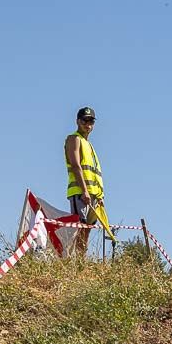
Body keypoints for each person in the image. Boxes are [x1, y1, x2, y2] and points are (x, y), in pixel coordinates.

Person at [64, 106, 104, 256]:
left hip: (93, 196)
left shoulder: (90, 146)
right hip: (80, 192)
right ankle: (70, 260)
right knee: (79, 228)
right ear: (78, 121)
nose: (88, 124)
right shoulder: (73, 139)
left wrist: (100, 196)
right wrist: (85, 191)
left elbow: (95, 174)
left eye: (91, 121)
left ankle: (81, 262)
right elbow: (76, 165)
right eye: (84, 120)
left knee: (87, 231)